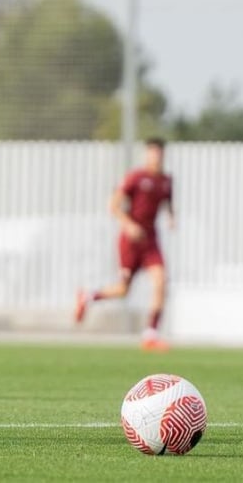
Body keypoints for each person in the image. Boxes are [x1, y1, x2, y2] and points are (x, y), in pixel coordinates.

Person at [74, 137, 175, 351]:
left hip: (151, 240)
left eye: (159, 152)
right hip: (129, 242)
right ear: (147, 154)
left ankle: (151, 334)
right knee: (123, 290)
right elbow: (113, 205)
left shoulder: (166, 181)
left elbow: (168, 203)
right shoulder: (136, 178)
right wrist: (128, 225)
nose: (155, 156)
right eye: (152, 152)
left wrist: (172, 217)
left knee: (161, 281)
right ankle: (88, 296)